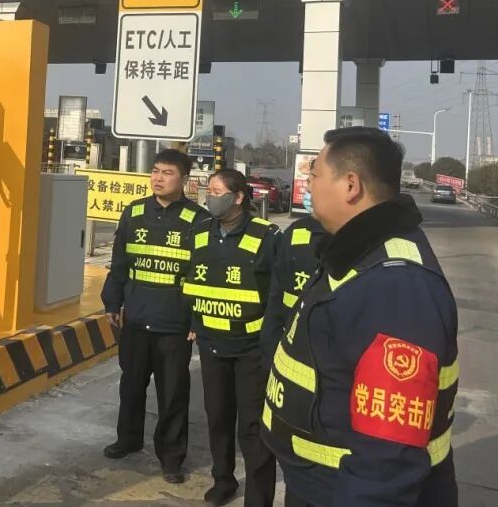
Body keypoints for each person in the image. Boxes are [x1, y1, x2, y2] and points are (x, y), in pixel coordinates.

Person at [261, 127, 459, 506]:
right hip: (317, 484)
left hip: (340, 491)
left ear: (350, 185)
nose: (308, 183)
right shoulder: (355, 252)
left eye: (315, 174)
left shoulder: (396, 285)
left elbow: (387, 462)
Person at [101, 149, 206, 484]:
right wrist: (112, 301)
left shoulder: (198, 220)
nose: (159, 178)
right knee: (131, 385)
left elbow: (202, 274)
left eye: (168, 173)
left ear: (184, 180)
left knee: (172, 393)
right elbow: (120, 262)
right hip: (136, 317)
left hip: (174, 324)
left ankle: (171, 458)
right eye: (156, 171)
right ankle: (128, 439)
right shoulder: (134, 213)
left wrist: (197, 319)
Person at [184, 169, 278, 506]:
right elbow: (193, 280)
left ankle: (258, 497)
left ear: (238, 197)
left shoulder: (267, 236)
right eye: (208, 191)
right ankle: (223, 481)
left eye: (216, 192)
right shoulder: (200, 231)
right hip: (212, 343)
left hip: (250, 348)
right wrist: (194, 321)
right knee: (218, 418)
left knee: (252, 426)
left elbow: (276, 293)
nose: (210, 198)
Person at [260, 189, 328, 361]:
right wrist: (269, 346)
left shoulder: (359, 240)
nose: (309, 190)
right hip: (289, 341)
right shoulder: (296, 230)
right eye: (308, 183)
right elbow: (276, 293)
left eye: (315, 179)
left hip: (325, 351)